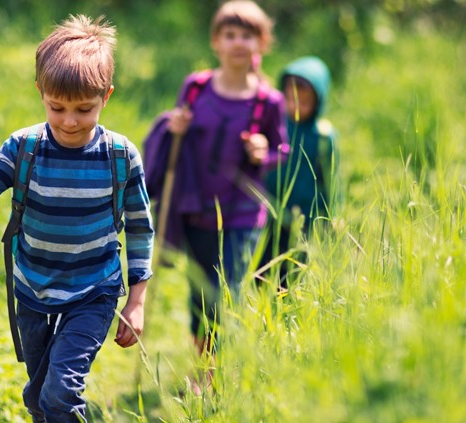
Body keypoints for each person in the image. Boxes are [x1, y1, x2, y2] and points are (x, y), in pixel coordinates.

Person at [0, 15, 153, 422]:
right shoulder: (24, 147)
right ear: (41, 92)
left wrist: (136, 300)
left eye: (85, 108)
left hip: (93, 289)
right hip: (32, 289)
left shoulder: (120, 156)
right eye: (57, 107)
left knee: (61, 392)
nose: (69, 121)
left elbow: (139, 225)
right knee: (39, 394)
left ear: (106, 97)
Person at [143, 0, 288, 394]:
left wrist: (264, 151)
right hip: (195, 207)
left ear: (261, 43)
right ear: (216, 41)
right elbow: (175, 134)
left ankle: (214, 375)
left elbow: (282, 150)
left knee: (227, 291)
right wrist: (175, 126)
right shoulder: (197, 86)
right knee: (199, 293)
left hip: (242, 213)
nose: (238, 42)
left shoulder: (268, 101)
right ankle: (202, 365)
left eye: (247, 35)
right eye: (230, 35)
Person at [260, 56, 338, 288]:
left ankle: (285, 315)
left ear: (318, 102)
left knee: (292, 275)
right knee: (260, 270)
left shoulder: (323, 136)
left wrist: (331, 215)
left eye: (305, 102)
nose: (296, 107)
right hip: (268, 211)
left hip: (303, 219)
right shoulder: (274, 125)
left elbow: (331, 180)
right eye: (291, 100)